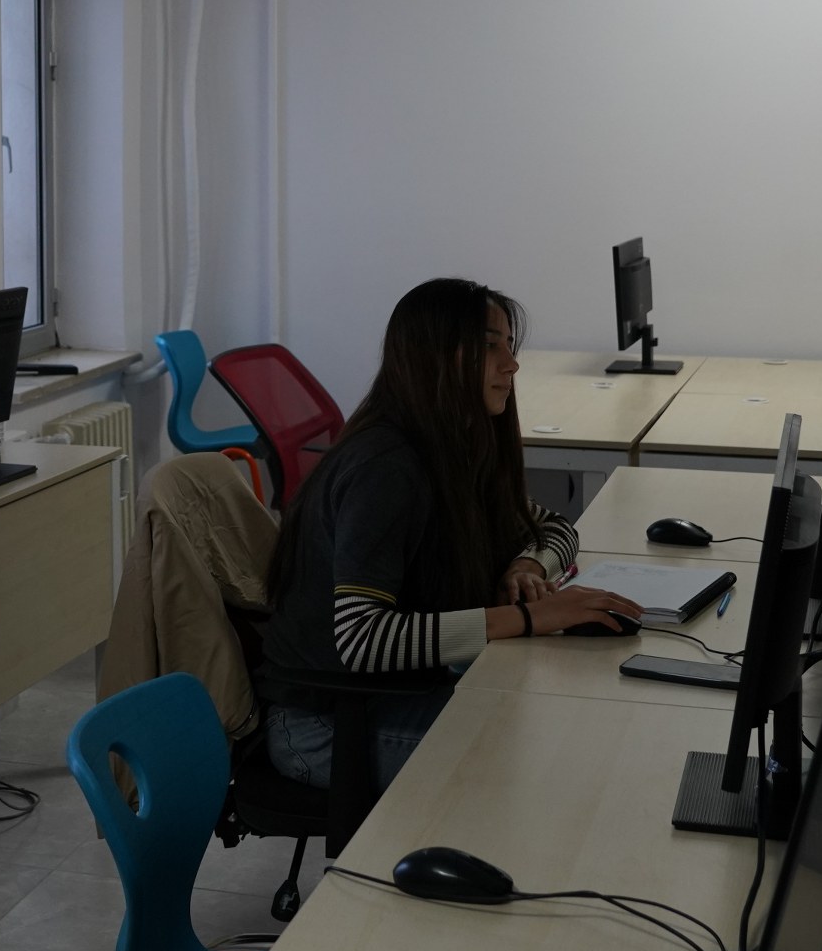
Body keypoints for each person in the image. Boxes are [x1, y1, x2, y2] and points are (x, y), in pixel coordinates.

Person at [257, 277, 642, 788]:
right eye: (490, 346)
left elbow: (554, 527)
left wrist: (528, 566)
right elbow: (362, 638)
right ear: (434, 356)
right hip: (327, 726)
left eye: (509, 345)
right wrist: (529, 617)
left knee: (575, 731)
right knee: (555, 764)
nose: (512, 364)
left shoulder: (451, 447)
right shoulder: (385, 469)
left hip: (404, 694)